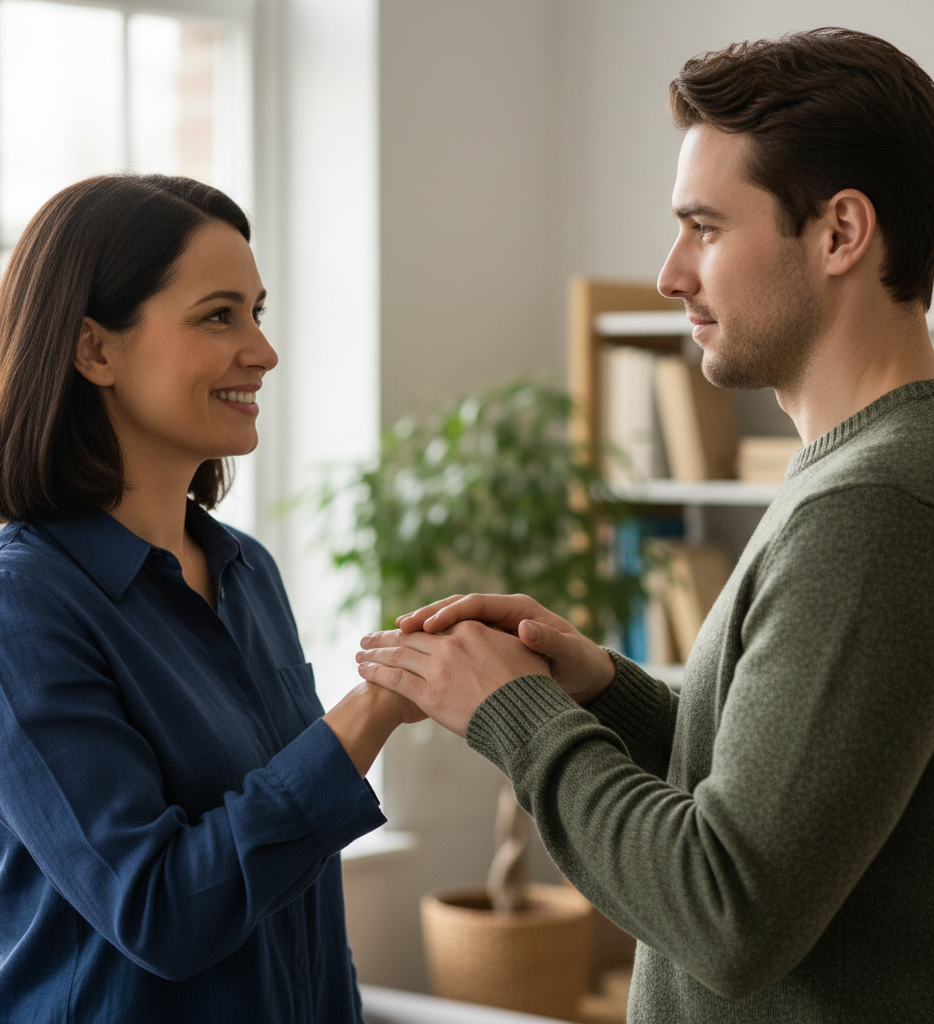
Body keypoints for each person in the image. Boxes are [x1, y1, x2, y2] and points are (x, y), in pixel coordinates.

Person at [357, 27, 934, 1023]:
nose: (671, 275)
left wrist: (515, 717)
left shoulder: (870, 508)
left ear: (840, 232)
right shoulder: (857, 475)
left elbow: (726, 909)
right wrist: (598, 691)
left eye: (704, 228)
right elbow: (798, 806)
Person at [0, 173, 422, 1023]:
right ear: (96, 350)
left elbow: (297, 909)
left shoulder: (246, 572)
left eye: (258, 313)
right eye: (218, 315)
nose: (262, 351)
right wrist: (367, 714)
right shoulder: (11, 610)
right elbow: (161, 911)